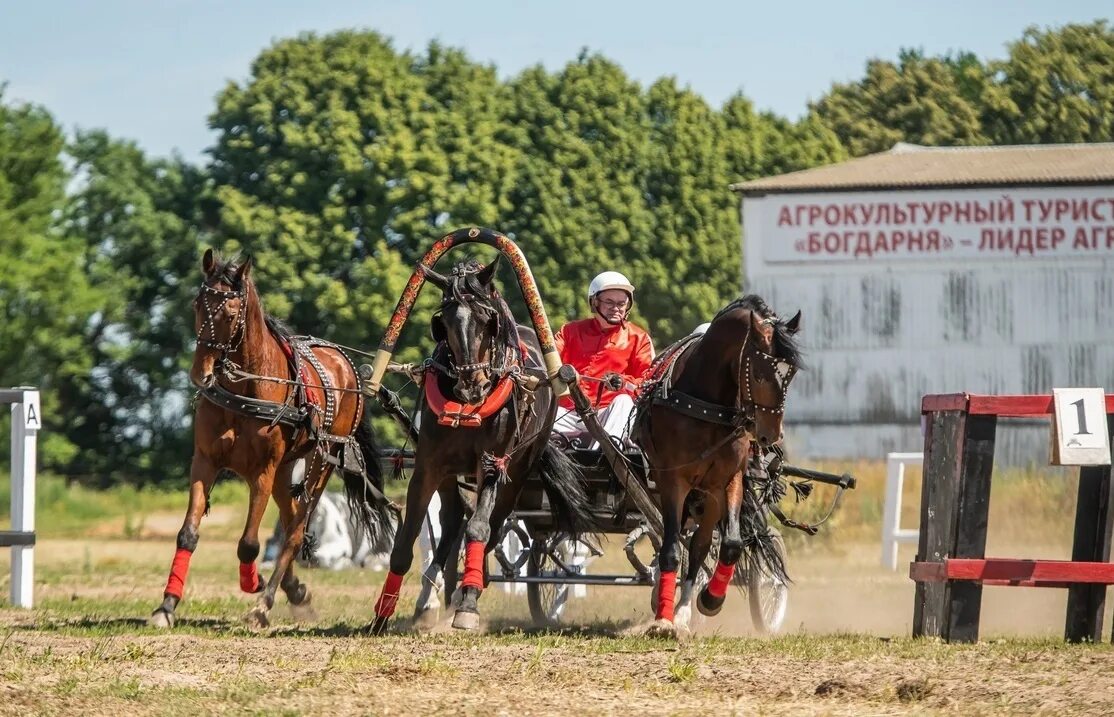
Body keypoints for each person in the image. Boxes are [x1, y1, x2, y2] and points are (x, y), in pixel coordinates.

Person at [553, 271, 655, 447]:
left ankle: (602, 457)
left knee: (623, 402)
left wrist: (622, 382)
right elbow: (547, 360)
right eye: (609, 302)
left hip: (609, 415)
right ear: (594, 302)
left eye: (621, 303)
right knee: (540, 412)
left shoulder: (639, 338)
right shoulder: (569, 332)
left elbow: (647, 384)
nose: (616, 308)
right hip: (568, 413)